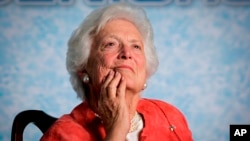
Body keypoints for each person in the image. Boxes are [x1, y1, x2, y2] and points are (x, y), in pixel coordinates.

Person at [41, 2, 193, 141]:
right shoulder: (62, 134)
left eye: (136, 46)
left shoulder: (169, 115)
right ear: (83, 68)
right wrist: (117, 129)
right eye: (111, 44)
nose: (127, 53)